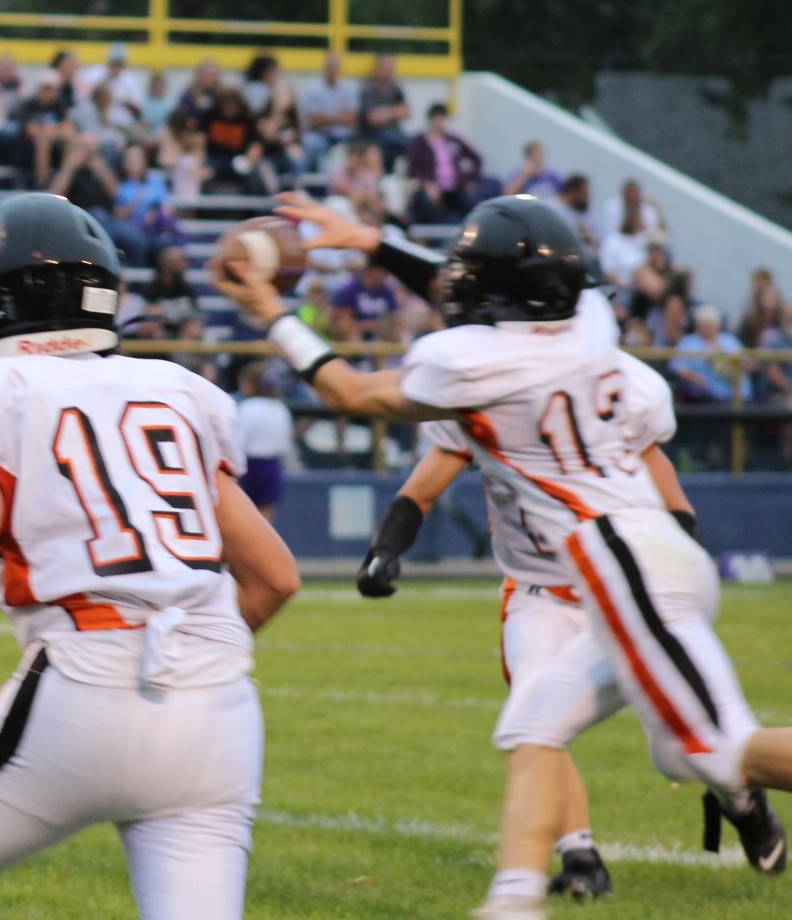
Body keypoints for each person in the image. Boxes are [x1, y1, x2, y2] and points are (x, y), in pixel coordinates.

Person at [213, 193, 792, 913]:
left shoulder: (477, 365)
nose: (459, 287)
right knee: (541, 726)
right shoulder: (590, 319)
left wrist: (272, 309)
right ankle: (512, 899)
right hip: (628, 558)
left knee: (720, 750)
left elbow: (352, 391)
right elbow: (485, 302)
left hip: (623, 559)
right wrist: (370, 239)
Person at [0, 194, 301, 918]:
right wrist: (189, 660)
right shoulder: (176, 391)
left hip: (85, 681)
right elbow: (276, 577)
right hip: (219, 705)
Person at [366, 399, 693, 903]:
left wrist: (674, 572)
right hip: (540, 593)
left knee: (686, 748)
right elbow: (421, 490)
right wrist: (385, 549)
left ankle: (741, 797)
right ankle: (579, 856)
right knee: (536, 715)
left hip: (626, 588)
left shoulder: (611, 387)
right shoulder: (482, 397)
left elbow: (674, 501)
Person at [234, 362, 293, 523]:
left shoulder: (247, 408)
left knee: (244, 517)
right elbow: (285, 442)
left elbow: (238, 443)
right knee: (266, 520)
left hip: (250, 467)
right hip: (273, 466)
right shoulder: (280, 408)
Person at [300, 51, 360, 168]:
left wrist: (325, 118)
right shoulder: (313, 89)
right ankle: (301, 180)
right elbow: (314, 121)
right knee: (310, 143)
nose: (333, 70)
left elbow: (352, 118)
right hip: (320, 134)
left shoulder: (348, 88)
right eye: (330, 66)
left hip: (343, 135)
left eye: (336, 66)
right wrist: (340, 117)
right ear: (324, 67)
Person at [358, 53, 411, 168]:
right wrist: (395, 112)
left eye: (391, 68)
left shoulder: (395, 87)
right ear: (378, 67)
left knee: (415, 143)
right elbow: (372, 118)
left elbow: (407, 112)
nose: (390, 71)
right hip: (372, 135)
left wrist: (385, 112)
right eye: (387, 68)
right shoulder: (369, 87)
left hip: (393, 133)